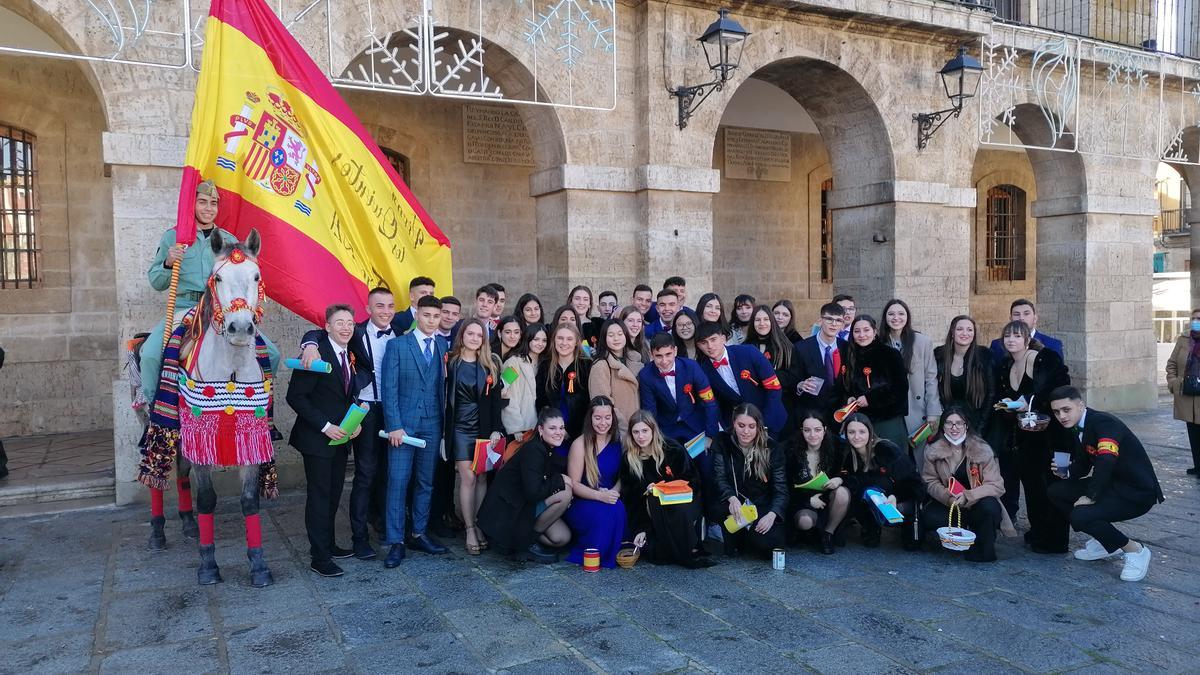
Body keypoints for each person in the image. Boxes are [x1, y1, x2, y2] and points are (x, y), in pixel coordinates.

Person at [141, 179, 280, 404]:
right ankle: (153, 414)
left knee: (271, 354)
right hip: (184, 310)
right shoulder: (173, 237)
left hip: (221, 309)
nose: (208, 208)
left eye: (213, 203)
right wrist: (168, 262)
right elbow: (156, 281)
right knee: (149, 355)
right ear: (192, 204)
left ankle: (255, 409)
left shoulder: (230, 240)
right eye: (203, 202)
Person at [1046, 387, 1163, 581]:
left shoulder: (1104, 422)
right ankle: (1104, 541)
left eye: (1066, 409)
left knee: (1081, 515)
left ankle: (1135, 550)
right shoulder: (1078, 425)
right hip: (1112, 484)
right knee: (1057, 491)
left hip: (1137, 492)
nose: (1062, 416)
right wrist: (1066, 472)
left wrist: (1091, 496)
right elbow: (1084, 464)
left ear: (1080, 405)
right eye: (1057, 412)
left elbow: (1106, 460)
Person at [286, 304, 364, 577]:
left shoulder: (348, 354)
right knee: (319, 497)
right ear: (327, 327)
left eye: (350, 322)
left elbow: (344, 396)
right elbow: (295, 397)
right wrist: (326, 426)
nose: (346, 327)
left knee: (332, 496)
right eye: (339, 322)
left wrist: (354, 424)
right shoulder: (314, 355)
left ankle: (328, 544)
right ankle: (319, 557)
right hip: (317, 439)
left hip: (341, 438)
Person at [380, 295, 450, 568]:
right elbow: (389, 389)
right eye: (427, 315)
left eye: (436, 316)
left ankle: (418, 533)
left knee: (425, 481)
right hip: (403, 426)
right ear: (417, 315)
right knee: (398, 481)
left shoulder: (443, 344)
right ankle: (395, 540)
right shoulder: (397, 346)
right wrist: (394, 425)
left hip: (432, 423)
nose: (432, 321)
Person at [994, 319, 1070, 553]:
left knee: (1052, 487)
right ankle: (1038, 531)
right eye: (1008, 336)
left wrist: (1028, 402)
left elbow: (1058, 388)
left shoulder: (1044, 357)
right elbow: (1008, 397)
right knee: (1033, 487)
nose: (1011, 340)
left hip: (1050, 436)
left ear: (1027, 339)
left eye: (1017, 335)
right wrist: (1007, 405)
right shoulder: (1006, 364)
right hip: (1026, 437)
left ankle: (1056, 540)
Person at [478, 408, 574, 563]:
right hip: (510, 512)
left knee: (562, 538)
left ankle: (523, 538)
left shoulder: (547, 448)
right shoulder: (534, 450)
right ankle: (525, 543)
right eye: (552, 428)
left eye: (561, 428)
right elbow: (533, 493)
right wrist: (560, 480)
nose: (558, 432)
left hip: (524, 506)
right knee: (565, 492)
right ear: (541, 430)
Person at [445, 319, 507, 556]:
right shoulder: (451, 363)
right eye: (470, 333)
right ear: (462, 336)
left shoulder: (489, 365)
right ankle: (469, 528)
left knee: (482, 478)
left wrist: (495, 429)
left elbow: (494, 401)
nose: (474, 338)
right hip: (459, 428)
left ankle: (480, 523)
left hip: (482, 428)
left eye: (479, 335)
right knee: (468, 478)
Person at [921, 406, 1015, 563]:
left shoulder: (982, 449)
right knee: (929, 517)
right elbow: (930, 481)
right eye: (949, 423)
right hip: (950, 504)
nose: (954, 428)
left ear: (966, 425)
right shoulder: (933, 450)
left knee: (990, 507)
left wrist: (968, 496)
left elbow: (996, 485)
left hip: (977, 503)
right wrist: (947, 497)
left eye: (959, 423)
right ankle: (961, 533)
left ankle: (983, 546)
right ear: (943, 426)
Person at [620, 411, 713, 568]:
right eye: (636, 432)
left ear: (653, 430)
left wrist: (664, 487)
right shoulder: (629, 459)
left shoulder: (672, 449)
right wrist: (641, 529)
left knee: (676, 508)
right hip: (652, 511)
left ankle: (690, 545)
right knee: (653, 500)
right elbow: (632, 499)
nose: (640, 436)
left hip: (683, 501)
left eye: (645, 431)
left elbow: (693, 481)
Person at [712, 404, 788, 557]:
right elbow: (719, 477)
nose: (746, 431)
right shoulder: (722, 441)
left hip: (761, 504)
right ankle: (734, 535)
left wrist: (772, 514)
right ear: (734, 424)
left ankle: (744, 536)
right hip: (734, 502)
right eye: (741, 425)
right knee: (718, 507)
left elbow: (781, 489)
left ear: (759, 426)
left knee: (766, 545)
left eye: (751, 426)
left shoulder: (772, 448)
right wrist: (731, 498)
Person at [838, 413, 923, 550]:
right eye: (851, 432)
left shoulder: (886, 450)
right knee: (856, 491)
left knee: (910, 546)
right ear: (846, 435)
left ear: (870, 433)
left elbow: (915, 484)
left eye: (862, 432)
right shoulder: (848, 456)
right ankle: (870, 529)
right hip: (872, 501)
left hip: (898, 500)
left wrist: (896, 496)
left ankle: (904, 528)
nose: (857, 436)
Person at [564, 396, 626, 569]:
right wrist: (600, 496)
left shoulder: (618, 441)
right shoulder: (580, 444)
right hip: (584, 500)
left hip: (610, 495)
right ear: (590, 418)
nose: (603, 423)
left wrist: (613, 492)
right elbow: (574, 484)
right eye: (597, 417)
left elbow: (624, 475)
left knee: (617, 507)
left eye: (607, 417)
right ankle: (595, 555)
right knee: (603, 513)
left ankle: (611, 554)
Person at [694, 322, 786, 436]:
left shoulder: (748, 352)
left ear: (723, 338)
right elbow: (715, 405)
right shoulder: (702, 371)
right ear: (698, 346)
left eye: (713, 339)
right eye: (704, 342)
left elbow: (774, 388)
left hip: (772, 421)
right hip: (741, 431)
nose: (710, 346)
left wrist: (765, 424)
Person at [882, 299, 941, 464]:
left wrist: (933, 411)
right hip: (889, 412)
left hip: (917, 410)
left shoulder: (922, 342)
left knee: (920, 461)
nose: (896, 318)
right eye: (891, 314)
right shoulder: (879, 342)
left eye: (901, 313)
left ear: (907, 317)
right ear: (885, 317)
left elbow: (931, 378)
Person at [838, 315, 909, 450]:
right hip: (859, 422)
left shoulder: (890, 354)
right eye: (857, 331)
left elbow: (900, 388)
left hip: (887, 420)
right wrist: (849, 398)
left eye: (866, 330)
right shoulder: (848, 355)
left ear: (874, 332)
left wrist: (870, 399)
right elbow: (845, 386)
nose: (862, 335)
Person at [637, 333, 720, 449]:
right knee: (673, 464)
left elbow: (709, 401)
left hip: (695, 424)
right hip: (666, 429)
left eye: (668, 354)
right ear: (651, 355)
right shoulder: (645, 375)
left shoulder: (691, 367)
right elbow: (650, 411)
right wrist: (655, 438)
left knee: (704, 461)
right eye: (659, 356)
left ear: (675, 351)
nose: (664, 360)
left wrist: (711, 434)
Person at [789, 411, 852, 554]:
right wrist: (807, 499)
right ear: (801, 431)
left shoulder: (837, 447)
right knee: (804, 521)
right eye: (807, 430)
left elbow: (854, 474)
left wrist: (840, 479)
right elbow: (784, 485)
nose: (812, 435)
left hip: (829, 500)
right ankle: (808, 533)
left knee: (842, 493)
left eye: (817, 430)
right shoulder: (790, 450)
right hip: (802, 501)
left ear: (824, 430)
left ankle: (828, 534)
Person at [741, 305, 802, 438]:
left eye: (766, 319)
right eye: (757, 320)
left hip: (781, 406)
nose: (762, 323)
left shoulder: (786, 347)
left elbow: (793, 376)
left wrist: (766, 377)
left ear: (772, 322)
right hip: (753, 407)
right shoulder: (744, 347)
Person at [933, 315, 997, 439]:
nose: (964, 333)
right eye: (959, 329)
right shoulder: (939, 355)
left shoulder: (984, 355)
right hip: (947, 420)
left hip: (976, 420)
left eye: (969, 329)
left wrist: (980, 429)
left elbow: (991, 394)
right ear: (952, 332)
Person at [535, 323, 592, 441]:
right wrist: (551, 428)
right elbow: (541, 400)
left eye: (569, 339)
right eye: (560, 338)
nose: (564, 343)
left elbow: (587, 402)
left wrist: (570, 431)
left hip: (578, 433)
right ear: (554, 340)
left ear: (576, 342)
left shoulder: (586, 366)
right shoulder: (546, 365)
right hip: (550, 433)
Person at [793, 302, 847, 420]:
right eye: (829, 319)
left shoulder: (847, 348)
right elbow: (793, 378)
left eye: (838, 320)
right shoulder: (802, 348)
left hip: (839, 414)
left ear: (843, 325)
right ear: (820, 320)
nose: (833, 324)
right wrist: (800, 385)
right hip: (811, 413)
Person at [588, 319, 643, 433]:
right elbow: (602, 405)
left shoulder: (636, 359)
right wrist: (623, 427)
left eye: (620, 334)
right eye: (611, 335)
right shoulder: (601, 365)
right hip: (618, 430)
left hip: (640, 427)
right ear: (604, 338)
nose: (616, 338)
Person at [1164, 308, 1200, 477]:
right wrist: (1173, 383)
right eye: (1193, 318)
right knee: (1193, 431)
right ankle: (1197, 465)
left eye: (1199, 318)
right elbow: (1171, 364)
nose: (1196, 321)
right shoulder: (1183, 339)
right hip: (1186, 393)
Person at [501, 324, 547, 441]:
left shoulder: (545, 363)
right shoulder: (514, 363)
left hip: (539, 427)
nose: (540, 344)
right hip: (519, 429)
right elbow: (505, 394)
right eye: (536, 339)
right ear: (527, 339)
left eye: (544, 340)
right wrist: (515, 427)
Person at [989, 298, 1064, 361]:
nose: (1021, 318)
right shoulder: (997, 345)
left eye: (1026, 313)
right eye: (1016, 314)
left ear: (1035, 318)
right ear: (1011, 319)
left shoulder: (1053, 345)